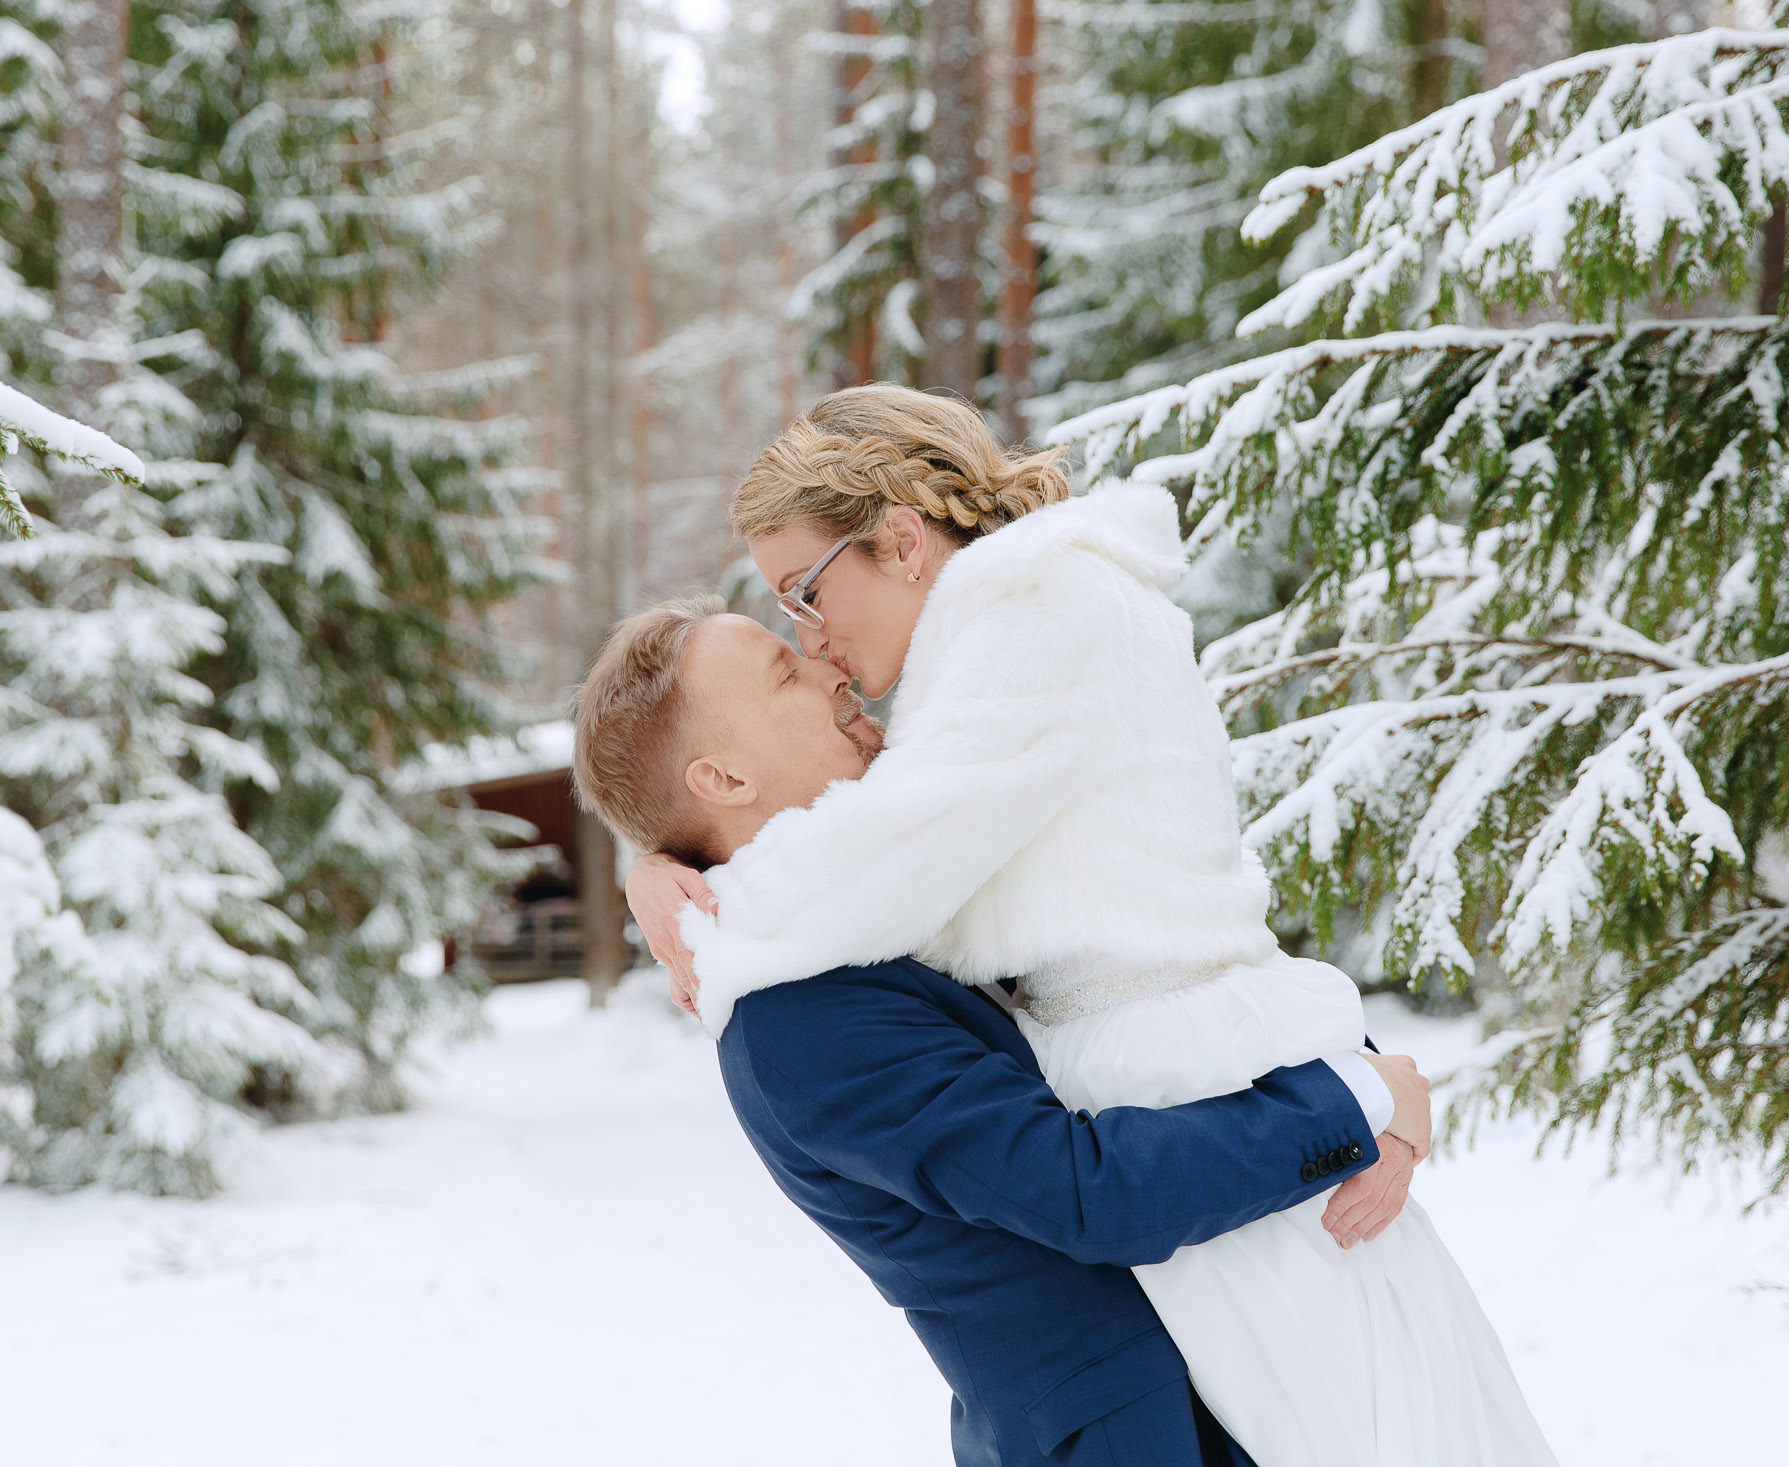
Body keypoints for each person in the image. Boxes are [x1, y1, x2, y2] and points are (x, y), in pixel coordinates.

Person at [622, 385, 1558, 1467]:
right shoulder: (976, 656)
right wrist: (667, 854)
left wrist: (694, 889)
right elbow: (865, 859)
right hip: (1173, 1077)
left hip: (1187, 1076)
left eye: (805, 593)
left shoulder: (1037, 616)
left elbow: (867, 863)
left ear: (900, 540)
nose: (816, 639)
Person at [572, 597, 1435, 1467]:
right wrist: (1350, 1103)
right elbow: (1085, 1191)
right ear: (721, 779)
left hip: (1236, 1381)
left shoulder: (878, 899)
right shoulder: (795, 1016)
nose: (830, 668)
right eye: (784, 674)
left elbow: (1136, 984)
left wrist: (1357, 1075)